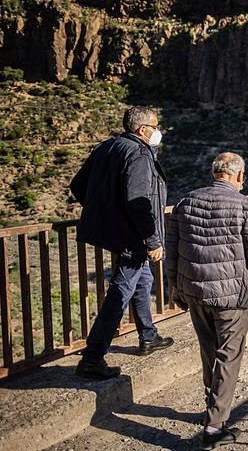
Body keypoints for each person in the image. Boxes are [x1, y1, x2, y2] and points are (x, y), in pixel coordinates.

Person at [167, 152, 248, 450]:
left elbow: (173, 249)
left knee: (209, 350)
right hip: (232, 296)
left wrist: (176, 285)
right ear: (238, 176)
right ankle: (214, 428)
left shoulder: (185, 202)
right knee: (229, 355)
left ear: (214, 173)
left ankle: (211, 407)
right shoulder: (246, 206)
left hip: (196, 292)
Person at [70, 106, 174, 380]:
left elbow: (78, 185)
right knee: (121, 289)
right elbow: (139, 203)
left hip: (118, 232)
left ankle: (148, 336)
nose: (158, 130)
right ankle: (92, 358)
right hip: (133, 235)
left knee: (142, 281)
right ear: (142, 130)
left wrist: (106, 213)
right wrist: (152, 240)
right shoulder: (139, 154)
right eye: (155, 125)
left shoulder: (107, 147)